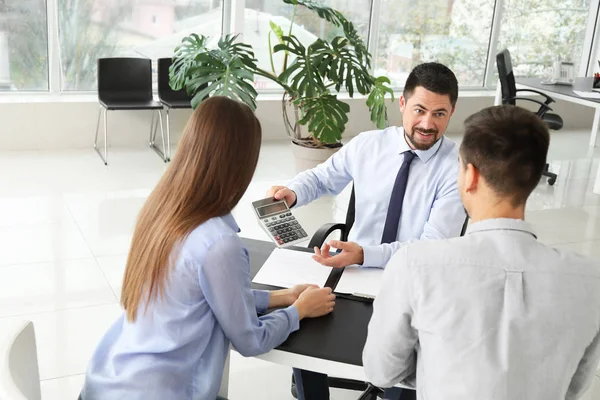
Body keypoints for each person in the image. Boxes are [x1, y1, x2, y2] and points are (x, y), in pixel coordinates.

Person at [79, 96, 336, 400]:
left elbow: (198, 297)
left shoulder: (161, 209)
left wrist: (280, 298)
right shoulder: (219, 243)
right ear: (240, 166)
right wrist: (299, 311)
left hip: (108, 383)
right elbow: (250, 340)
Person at [363, 105, 600, 399]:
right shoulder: (591, 281)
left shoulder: (415, 265)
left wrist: (436, 369)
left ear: (470, 176)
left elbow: (381, 372)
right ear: (535, 177)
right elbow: (573, 388)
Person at [270, 63, 466, 399]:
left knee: (402, 376)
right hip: (354, 277)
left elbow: (430, 249)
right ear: (403, 104)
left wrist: (365, 253)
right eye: (419, 110)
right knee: (303, 339)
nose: (427, 124)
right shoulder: (369, 145)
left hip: (415, 285)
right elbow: (320, 178)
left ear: (452, 113)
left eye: (439, 114)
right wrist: (294, 192)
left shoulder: (457, 168)